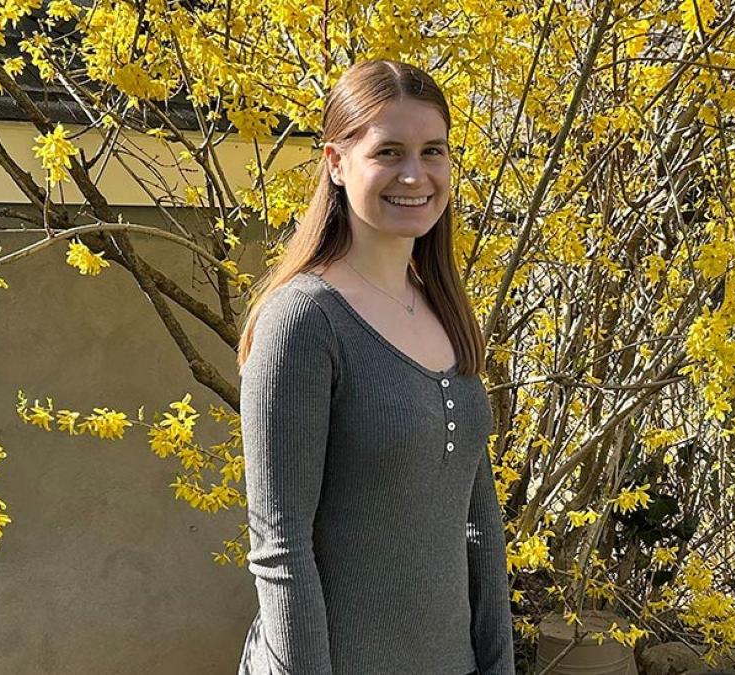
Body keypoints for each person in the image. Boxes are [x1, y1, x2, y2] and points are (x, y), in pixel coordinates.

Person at [234, 59, 515, 674]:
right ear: (336, 163)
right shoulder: (304, 322)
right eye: (388, 151)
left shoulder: (444, 309)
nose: (415, 174)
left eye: (433, 151)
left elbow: (477, 523)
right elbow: (281, 550)